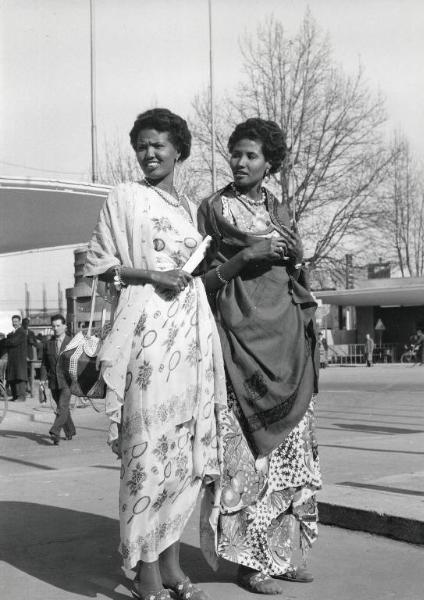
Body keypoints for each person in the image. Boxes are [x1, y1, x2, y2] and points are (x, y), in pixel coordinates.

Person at [84, 108, 226, 600]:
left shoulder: (188, 206)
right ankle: (144, 571)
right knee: (148, 452)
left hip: (189, 338)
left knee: (183, 455)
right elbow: (100, 265)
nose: (149, 153)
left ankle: (171, 562)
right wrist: (151, 275)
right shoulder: (125, 198)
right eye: (142, 145)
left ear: (178, 150)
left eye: (158, 145)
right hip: (148, 337)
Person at [197, 118, 321, 595]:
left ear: (270, 162)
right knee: (248, 460)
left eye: (251, 155)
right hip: (240, 344)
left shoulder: (280, 208)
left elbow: (296, 271)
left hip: (288, 341)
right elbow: (202, 279)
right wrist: (246, 257)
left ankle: (281, 556)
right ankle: (249, 565)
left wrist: (295, 255)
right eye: (236, 153)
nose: (241, 162)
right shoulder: (213, 209)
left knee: (291, 457)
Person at [40, 314, 76, 445]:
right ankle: (70, 430)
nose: (55, 328)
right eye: (53, 326)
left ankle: (55, 431)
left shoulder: (73, 342)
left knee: (62, 407)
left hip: (68, 381)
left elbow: (78, 362)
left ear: (65, 326)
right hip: (54, 381)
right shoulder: (48, 344)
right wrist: (42, 380)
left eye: (58, 326)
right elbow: (44, 363)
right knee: (64, 408)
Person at [5, 315, 28, 401]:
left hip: (19, 359)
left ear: (20, 322)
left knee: (20, 377)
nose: (14, 323)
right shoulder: (13, 332)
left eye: (16, 321)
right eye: (13, 321)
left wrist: (6, 341)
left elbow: (13, 342)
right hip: (13, 358)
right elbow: (10, 342)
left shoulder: (21, 332)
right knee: (12, 377)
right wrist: (8, 341)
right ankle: (15, 396)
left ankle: (22, 397)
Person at [22, 317, 38, 395]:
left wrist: (32, 342)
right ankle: (26, 389)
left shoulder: (31, 333)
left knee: (30, 373)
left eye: (27, 323)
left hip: (30, 356)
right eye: (24, 323)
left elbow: (36, 344)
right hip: (22, 356)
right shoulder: (20, 332)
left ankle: (31, 390)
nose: (26, 325)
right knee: (23, 373)